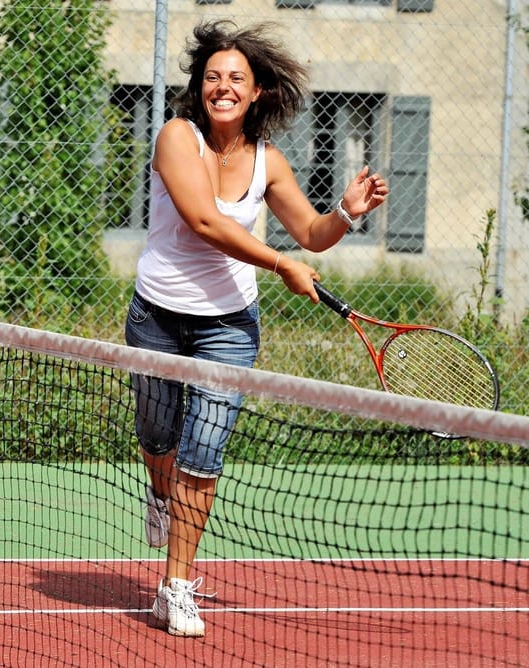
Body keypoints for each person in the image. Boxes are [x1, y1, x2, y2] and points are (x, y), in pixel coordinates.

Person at [124, 20, 389, 637]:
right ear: (200, 87)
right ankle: (159, 495)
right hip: (157, 316)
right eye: (213, 76)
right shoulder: (174, 137)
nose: (222, 86)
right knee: (157, 437)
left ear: (257, 93)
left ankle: (177, 586)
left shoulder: (269, 162)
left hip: (229, 328)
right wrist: (279, 264)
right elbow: (203, 222)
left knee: (204, 453)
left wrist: (345, 213)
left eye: (235, 79)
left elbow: (311, 235)